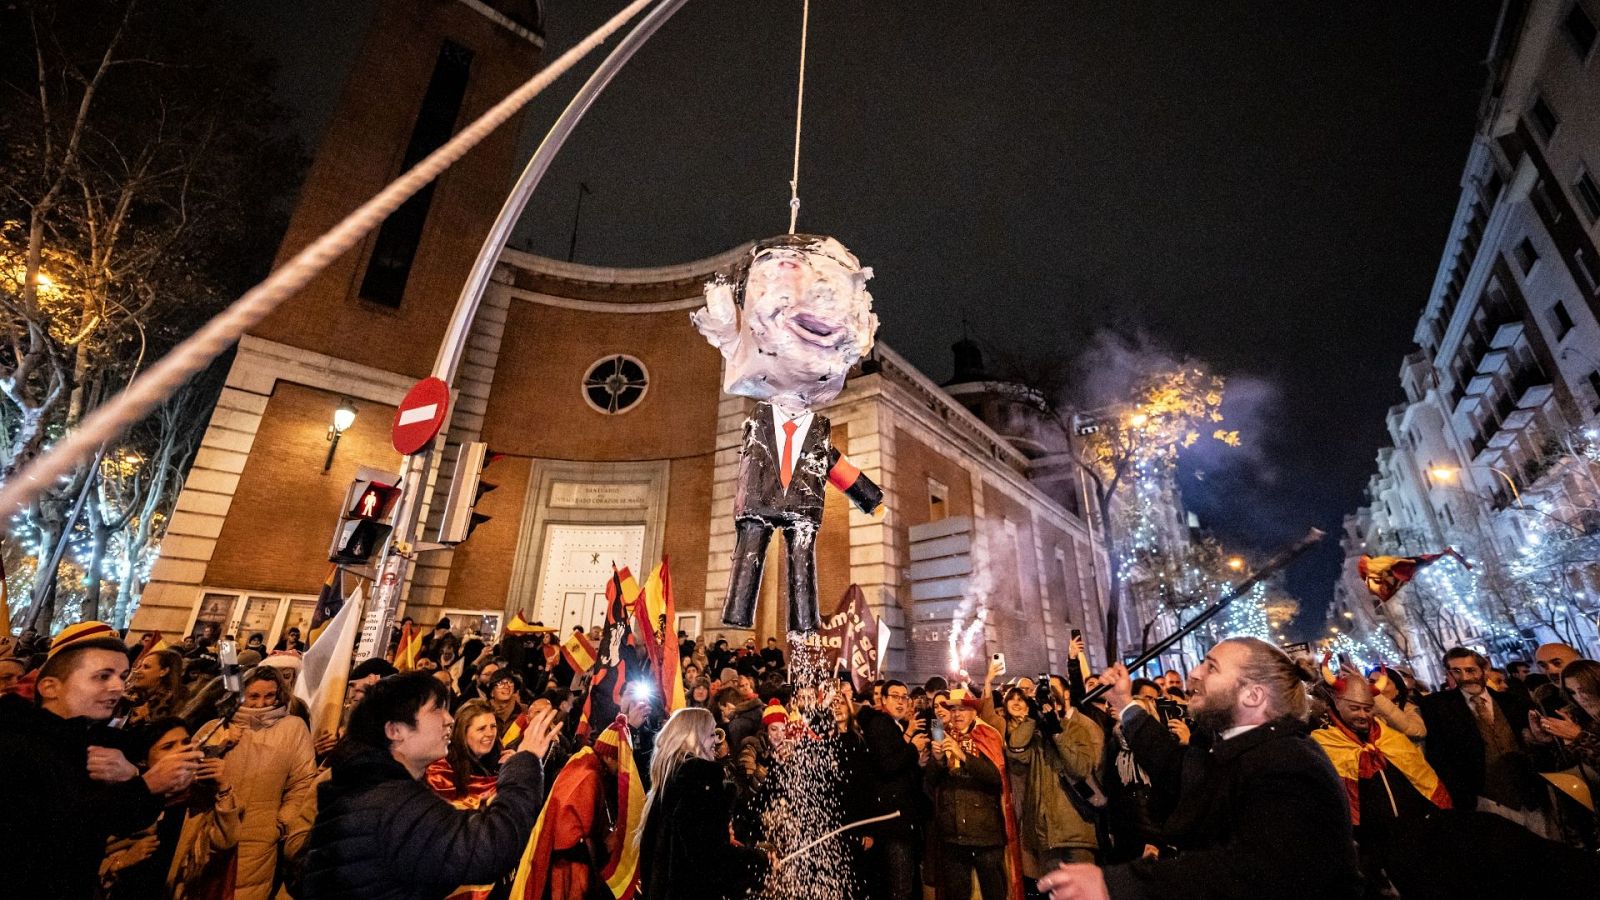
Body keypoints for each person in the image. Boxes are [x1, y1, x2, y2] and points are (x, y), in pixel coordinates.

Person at [1038, 637, 1360, 900]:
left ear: (1253, 695)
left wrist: (1118, 884)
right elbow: (1177, 766)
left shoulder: (1288, 765)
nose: (1194, 673)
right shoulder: (1249, 751)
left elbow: (1255, 872)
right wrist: (1125, 704)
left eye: (1211, 667)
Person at [302, 672, 561, 900]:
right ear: (395, 730)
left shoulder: (374, 788)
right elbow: (490, 849)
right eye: (436, 709)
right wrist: (526, 759)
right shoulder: (393, 805)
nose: (449, 719)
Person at [0, 621, 203, 899]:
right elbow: (50, 834)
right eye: (102, 676)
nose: (118, 687)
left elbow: (118, 819)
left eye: (122, 675)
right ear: (50, 687)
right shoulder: (16, 743)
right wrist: (144, 786)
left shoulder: (87, 739)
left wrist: (132, 777)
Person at [1310, 668, 1450, 896]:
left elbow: (1422, 779)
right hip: (1367, 849)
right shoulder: (1323, 744)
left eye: (1367, 709)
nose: (1363, 715)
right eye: (1355, 708)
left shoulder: (1391, 737)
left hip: (1415, 838)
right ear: (1337, 704)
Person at [194, 667, 318, 900]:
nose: (262, 703)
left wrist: (281, 822)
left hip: (261, 837)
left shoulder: (293, 728)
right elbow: (191, 774)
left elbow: (302, 781)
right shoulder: (216, 727)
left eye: (269, 696)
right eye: (254, 696)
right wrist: (218, 746)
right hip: (213, 829)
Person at [100, 717, 243, 900]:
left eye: (185, 742)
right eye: (168, 747)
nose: (182, 750)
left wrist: (224, 787)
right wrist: (120, 862)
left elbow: (225, 842)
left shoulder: (199, 798)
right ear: (144, 760)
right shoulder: (128, 799)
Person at [638, 707, 768, 900]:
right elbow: (710, 859)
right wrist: (757, 861)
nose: (716, 741)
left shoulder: (670, 781)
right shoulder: (698, 782)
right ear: (693, 738)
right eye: (710, 735)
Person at [1418, 647, 1551, 835]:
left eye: (1470, 670)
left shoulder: (1513, 702)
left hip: (1528, 796)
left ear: (1484, 669)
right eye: (1457, 671)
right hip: (1482, 801)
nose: (1465, 677)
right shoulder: (1437, 707)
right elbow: (1438, 755)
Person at [515, 715, 642, 900]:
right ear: (608, 756)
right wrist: (604, 846)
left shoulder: (590, 766)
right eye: (618, 760)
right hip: (569, 868)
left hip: (571, 860)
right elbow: (571, 833)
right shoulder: (587, 776)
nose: (621, 767)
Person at [925, 686, 1022, 900]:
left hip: (985, 836)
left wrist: (965, 757)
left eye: (963, 709)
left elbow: (996, 778)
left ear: (974, 712)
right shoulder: (943, 735)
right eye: (954, 710)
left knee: (994, 893)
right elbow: (930, 784)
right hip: (953, 838)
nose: (957, 714)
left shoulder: (986, 735)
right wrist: (938, 760)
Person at [1001, 679, 1103, 873]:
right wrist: (1031, 717)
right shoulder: (1036, 736)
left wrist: (1057, 732)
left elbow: (1080, 769)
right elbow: (1015, 749)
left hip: (1076, 832)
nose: (1048, 708)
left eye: (1051, 703)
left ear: (1058, 704)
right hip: (1046, 835)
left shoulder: (1076, 729)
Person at [856, 678, 930, 900]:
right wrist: (913, 749)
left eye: (904, 697)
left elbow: (898, 762)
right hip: (893, 819)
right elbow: (887, 766)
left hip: (901, 816)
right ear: (884, 699)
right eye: (895, 697)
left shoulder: (893, 724)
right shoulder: (880, 724)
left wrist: (917, 760)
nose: (901, 702)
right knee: (899, 886)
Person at [118, 647, 188, 729]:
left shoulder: (174, 702)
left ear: (164, 671)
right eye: (139, 666)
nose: (137, 671)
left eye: (146, 667)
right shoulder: (128, 696)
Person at [1367, 665, 1426, 741]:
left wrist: (1376, 696)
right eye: (1371, 682)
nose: (1376, 687)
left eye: (1383, 683)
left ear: (1397, 690)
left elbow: (1418, 732)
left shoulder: (1409, 708)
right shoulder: (1365, 711)